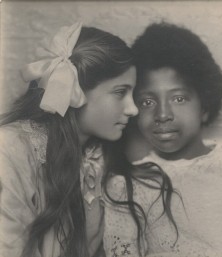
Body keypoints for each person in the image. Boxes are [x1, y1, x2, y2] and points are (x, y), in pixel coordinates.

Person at [103, 22, 222, 257]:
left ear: (205, 104)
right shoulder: (127, 185)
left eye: (179, 99)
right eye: (147, 102)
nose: (162, 115)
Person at [0, 21, 139, 257]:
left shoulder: (97, 158)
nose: (133, 109)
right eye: (120, 92)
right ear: (77, 91)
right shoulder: (11, 148)